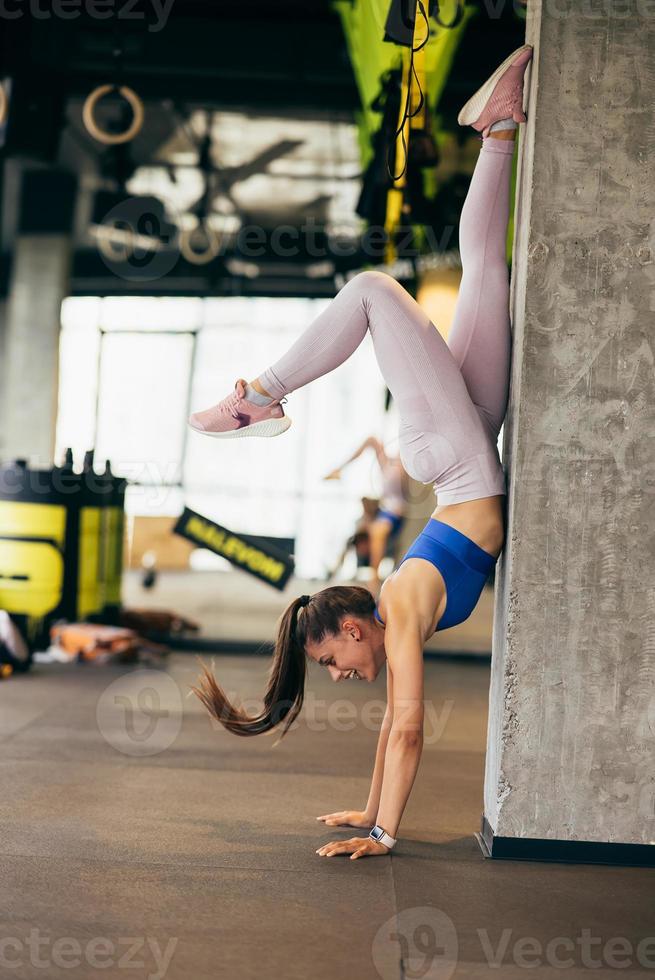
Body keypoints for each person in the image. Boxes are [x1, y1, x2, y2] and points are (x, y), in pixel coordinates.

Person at [189, 45, 533, 860]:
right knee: (487, 268)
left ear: (352, 625)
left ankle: (261, 396)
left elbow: (407, 726)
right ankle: (499, 128)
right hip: (469, 444)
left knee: (372, 289)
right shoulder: (398, 607)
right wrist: (367, 812)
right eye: (334, 667)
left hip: (452, 458)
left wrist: (386, 832)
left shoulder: (403, 608)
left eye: (331, 659)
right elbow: (395, 730)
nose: (341, 673)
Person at [323, 436, 409, 593]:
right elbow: (371, 441)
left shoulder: (401, 465)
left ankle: (374, 579)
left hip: (394, 511)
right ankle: (348, 571)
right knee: (364, 533)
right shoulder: (388, 466)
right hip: (386, 511)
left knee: (376, 531)